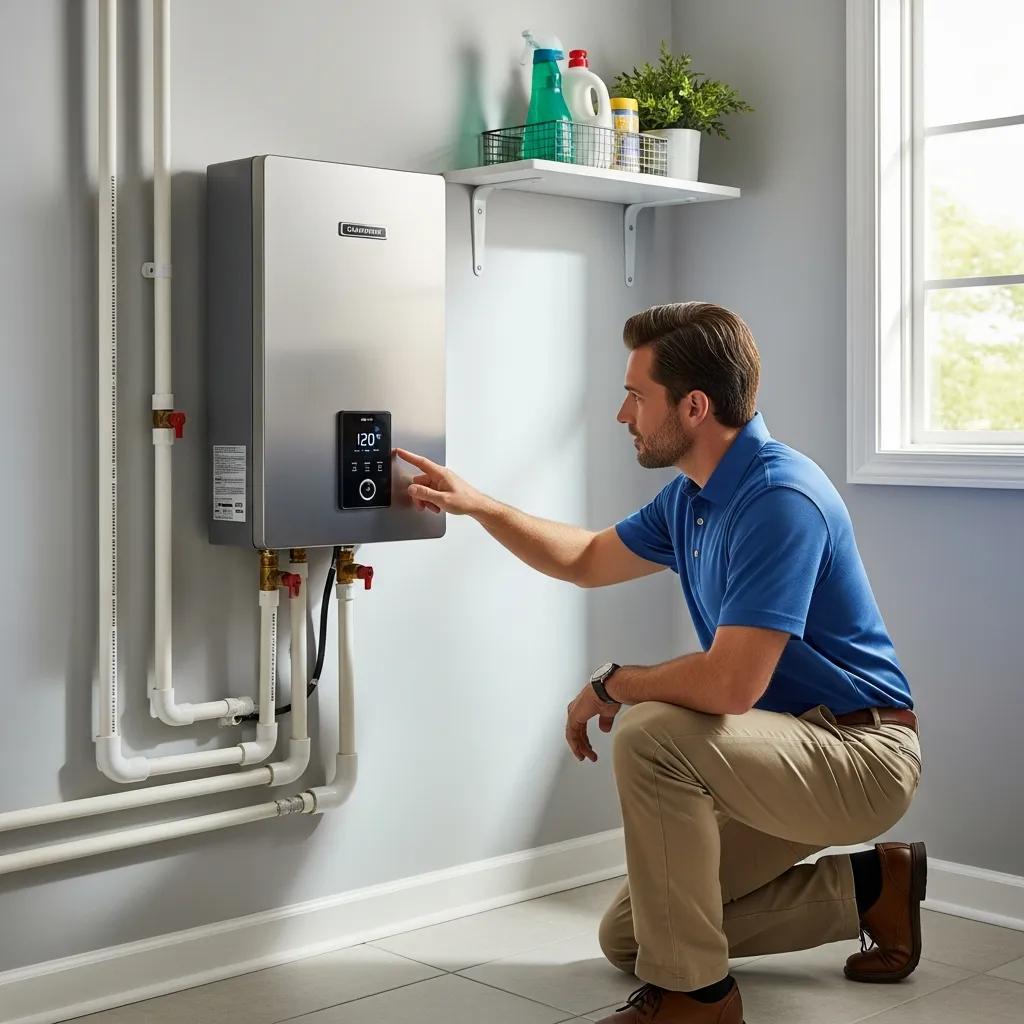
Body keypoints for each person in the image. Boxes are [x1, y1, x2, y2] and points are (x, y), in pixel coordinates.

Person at [395, 302, 924, 1024]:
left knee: (650, 731)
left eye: (636, 395)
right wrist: (478, 505)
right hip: (784, 749)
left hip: (858, 752)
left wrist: (613, 685)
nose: (622, 415)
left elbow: (732, 686)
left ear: (695, 406)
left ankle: (698, 999)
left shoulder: (779, 498)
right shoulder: (695, 499)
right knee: (633, 936)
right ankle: (875, 888)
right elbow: (584, 557)